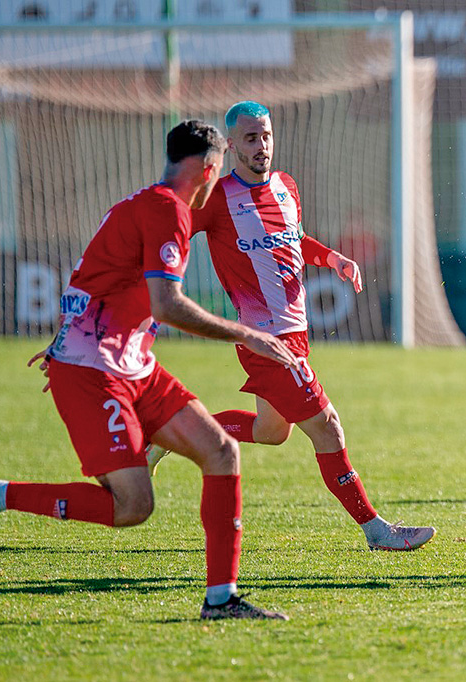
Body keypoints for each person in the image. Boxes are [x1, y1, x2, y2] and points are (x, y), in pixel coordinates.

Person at [0, 120, 300, 621]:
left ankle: (221, 599)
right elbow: (168, 305)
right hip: (94, 372)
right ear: (209, 168)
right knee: (132, 507)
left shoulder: (147, 204)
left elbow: (91, 275)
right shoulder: (167, 212)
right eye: (220, 166)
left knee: (221, 452)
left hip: (133, 363)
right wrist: (247, 334)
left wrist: (65, 331)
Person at [148, 100, 435, 552]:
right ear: (230, 145)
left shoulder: (286, 185)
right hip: (266, 340)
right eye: (250, 138)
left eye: (265, 135)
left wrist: (332, 258)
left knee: (270, 432)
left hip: (296, 335)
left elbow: (294, 238)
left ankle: (167, 433)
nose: (261, 145)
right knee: (329, 428)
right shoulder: (217, 198)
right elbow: (174, 226)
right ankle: (377, 530)